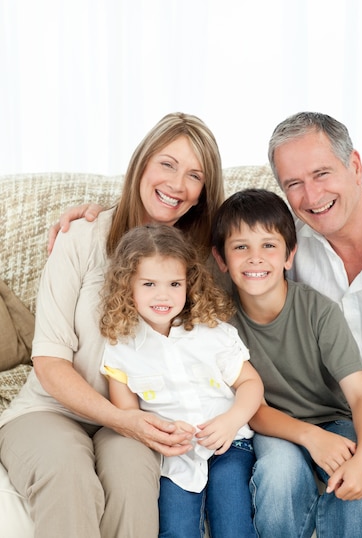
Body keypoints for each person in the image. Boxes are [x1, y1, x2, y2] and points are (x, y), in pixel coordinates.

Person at [0, 112, 226, 538]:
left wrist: (132, 423)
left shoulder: (199, 263)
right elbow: (49, 362)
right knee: (68, 476)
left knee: (132, 482)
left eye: (194, 175)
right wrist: (124, 421)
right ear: (141, 163)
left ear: (201, 194)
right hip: (51, 411)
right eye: (167, 163)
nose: (177, 184)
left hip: (138, 417)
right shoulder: (81, 236)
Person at [268, 111, 362, 538]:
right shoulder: (288, 247)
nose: (311, 195)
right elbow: (216, 242)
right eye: (293, 183)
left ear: (354, 165)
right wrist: (109, 212)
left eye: (321, 173)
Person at [211, 187, 362, 538]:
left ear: (289, 255)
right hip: (273, 425)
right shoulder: (220, 323)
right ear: (221, 259)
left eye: (268, 245)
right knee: (279, 475)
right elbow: (256, 409)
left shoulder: (318, 311)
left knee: (360, 494)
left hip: (334, 419)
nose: (255, 258)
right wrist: (311, 437)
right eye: (240, 247)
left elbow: (361, 396)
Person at [100, 224, 263, 538]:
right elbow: (129, 416)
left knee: (233, 526)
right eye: (149, 284)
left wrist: (231, 421)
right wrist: (163, 433)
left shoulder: (211, 332)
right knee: (176, 530)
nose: (163, 295)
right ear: (127, 286)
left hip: (229, 446)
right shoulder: (120, 348)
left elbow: (250, 383)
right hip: (173, 458)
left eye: (174, 283)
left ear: (190, 283)